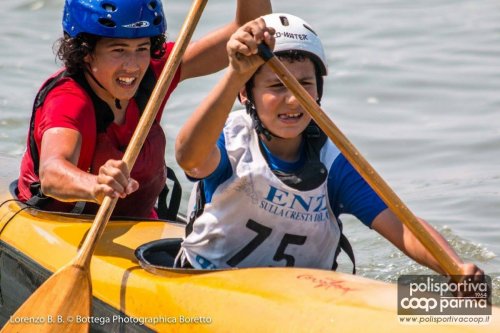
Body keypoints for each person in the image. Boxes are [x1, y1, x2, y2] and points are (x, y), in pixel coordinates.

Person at [174, 13, 484, 279]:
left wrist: (454, 267)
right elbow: (189, 158)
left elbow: (401, 224)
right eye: (276, 86)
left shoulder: (334, 162)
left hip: (300, 298)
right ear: (246, 94)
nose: (294, 99)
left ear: (319, 90)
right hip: (206, 279)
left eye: (305, 84)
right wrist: (234, 74)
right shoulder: (231, 140)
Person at [17, 0, 272, 219]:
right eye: (118, 50)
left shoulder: (156, 74)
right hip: (59, 223)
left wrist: (252, 34)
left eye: (142, 49)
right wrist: (96, 185)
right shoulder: (67, 99)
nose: (133, 66)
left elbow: (245, 31)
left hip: (137, 224)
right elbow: (51, 173)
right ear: (85, 53)